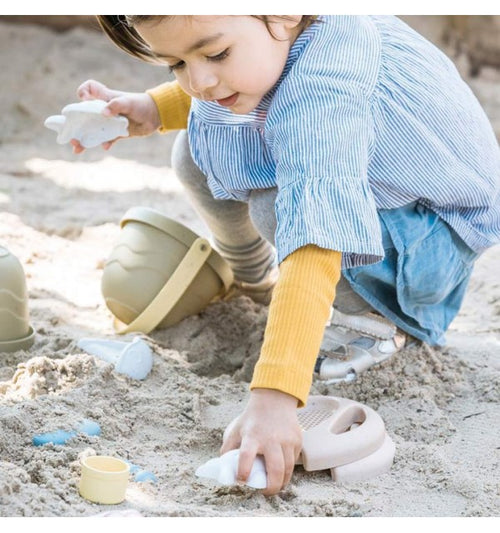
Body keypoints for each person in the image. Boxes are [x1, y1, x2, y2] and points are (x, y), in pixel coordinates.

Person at [72, 15, 500, 495]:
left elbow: (316, 236)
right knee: (194, 145)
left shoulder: (326, 93)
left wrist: (276, 397)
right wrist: (151, 108)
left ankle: (377, 323)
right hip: (385, 191)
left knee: (280, 209)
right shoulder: (274, 37)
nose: (199, 80)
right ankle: (256, 279)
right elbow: (224, 80)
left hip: (428, 242)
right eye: (175, 62)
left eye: (215, 55)